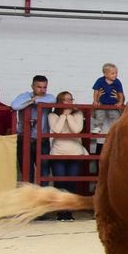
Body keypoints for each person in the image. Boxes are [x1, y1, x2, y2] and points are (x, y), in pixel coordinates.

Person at [46, 91, 86, 219]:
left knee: (71, 183)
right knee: (60, 182)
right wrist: (63, 115)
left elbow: (76, 130)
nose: (68, 102)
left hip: (75, 152)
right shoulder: (52, 115)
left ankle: (69, 211)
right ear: (59, 102)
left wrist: (69, 116)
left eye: (70, 99)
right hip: (58, 153)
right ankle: (60, 211)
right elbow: (56, 130)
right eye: (65, 100)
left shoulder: (78, 114)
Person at [9, 75, 54, 181]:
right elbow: (15, 106)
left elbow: (52, 100)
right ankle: (28, 197)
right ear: (32, 86)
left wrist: (34, 101)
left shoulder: (49, 97)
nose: (42, 90)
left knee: (44, 172)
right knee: (26, 172)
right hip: (24, 140)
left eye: (44, 87)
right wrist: (32, 100)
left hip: (42, 141)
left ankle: (43, 197)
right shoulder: (24, 95)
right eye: (39, 87)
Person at [90, 62, 124, 148]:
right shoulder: (100, 81)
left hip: (113, 104)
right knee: (100, 114)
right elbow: (96, 91)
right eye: (112, 73)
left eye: (116, 73)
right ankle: (98, 127)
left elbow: (120, 93)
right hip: (102, 103)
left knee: (115, 115)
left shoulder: (117, 82)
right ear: (105, 74)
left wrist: (120, 102)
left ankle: (116, 128)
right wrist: (95, 101)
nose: (115, 75)